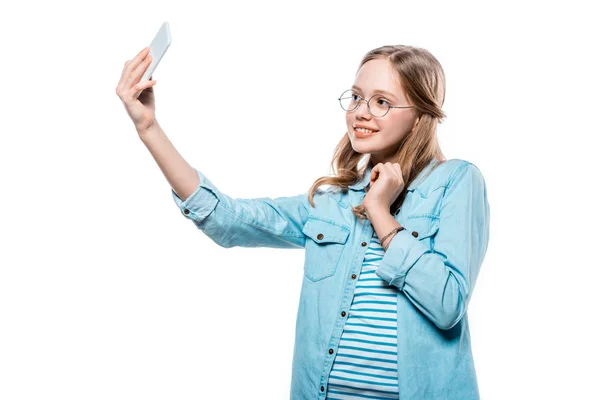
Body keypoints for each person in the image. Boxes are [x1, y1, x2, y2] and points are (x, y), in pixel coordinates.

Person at [116, 44, 490, 400]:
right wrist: (148, 127)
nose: (361, 112)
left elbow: (447, 304)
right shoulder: (332, 203)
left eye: (381, 102)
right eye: (357, 97)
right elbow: (227, 220)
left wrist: (380, 212)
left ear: (421, 113)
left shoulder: (456, 182)